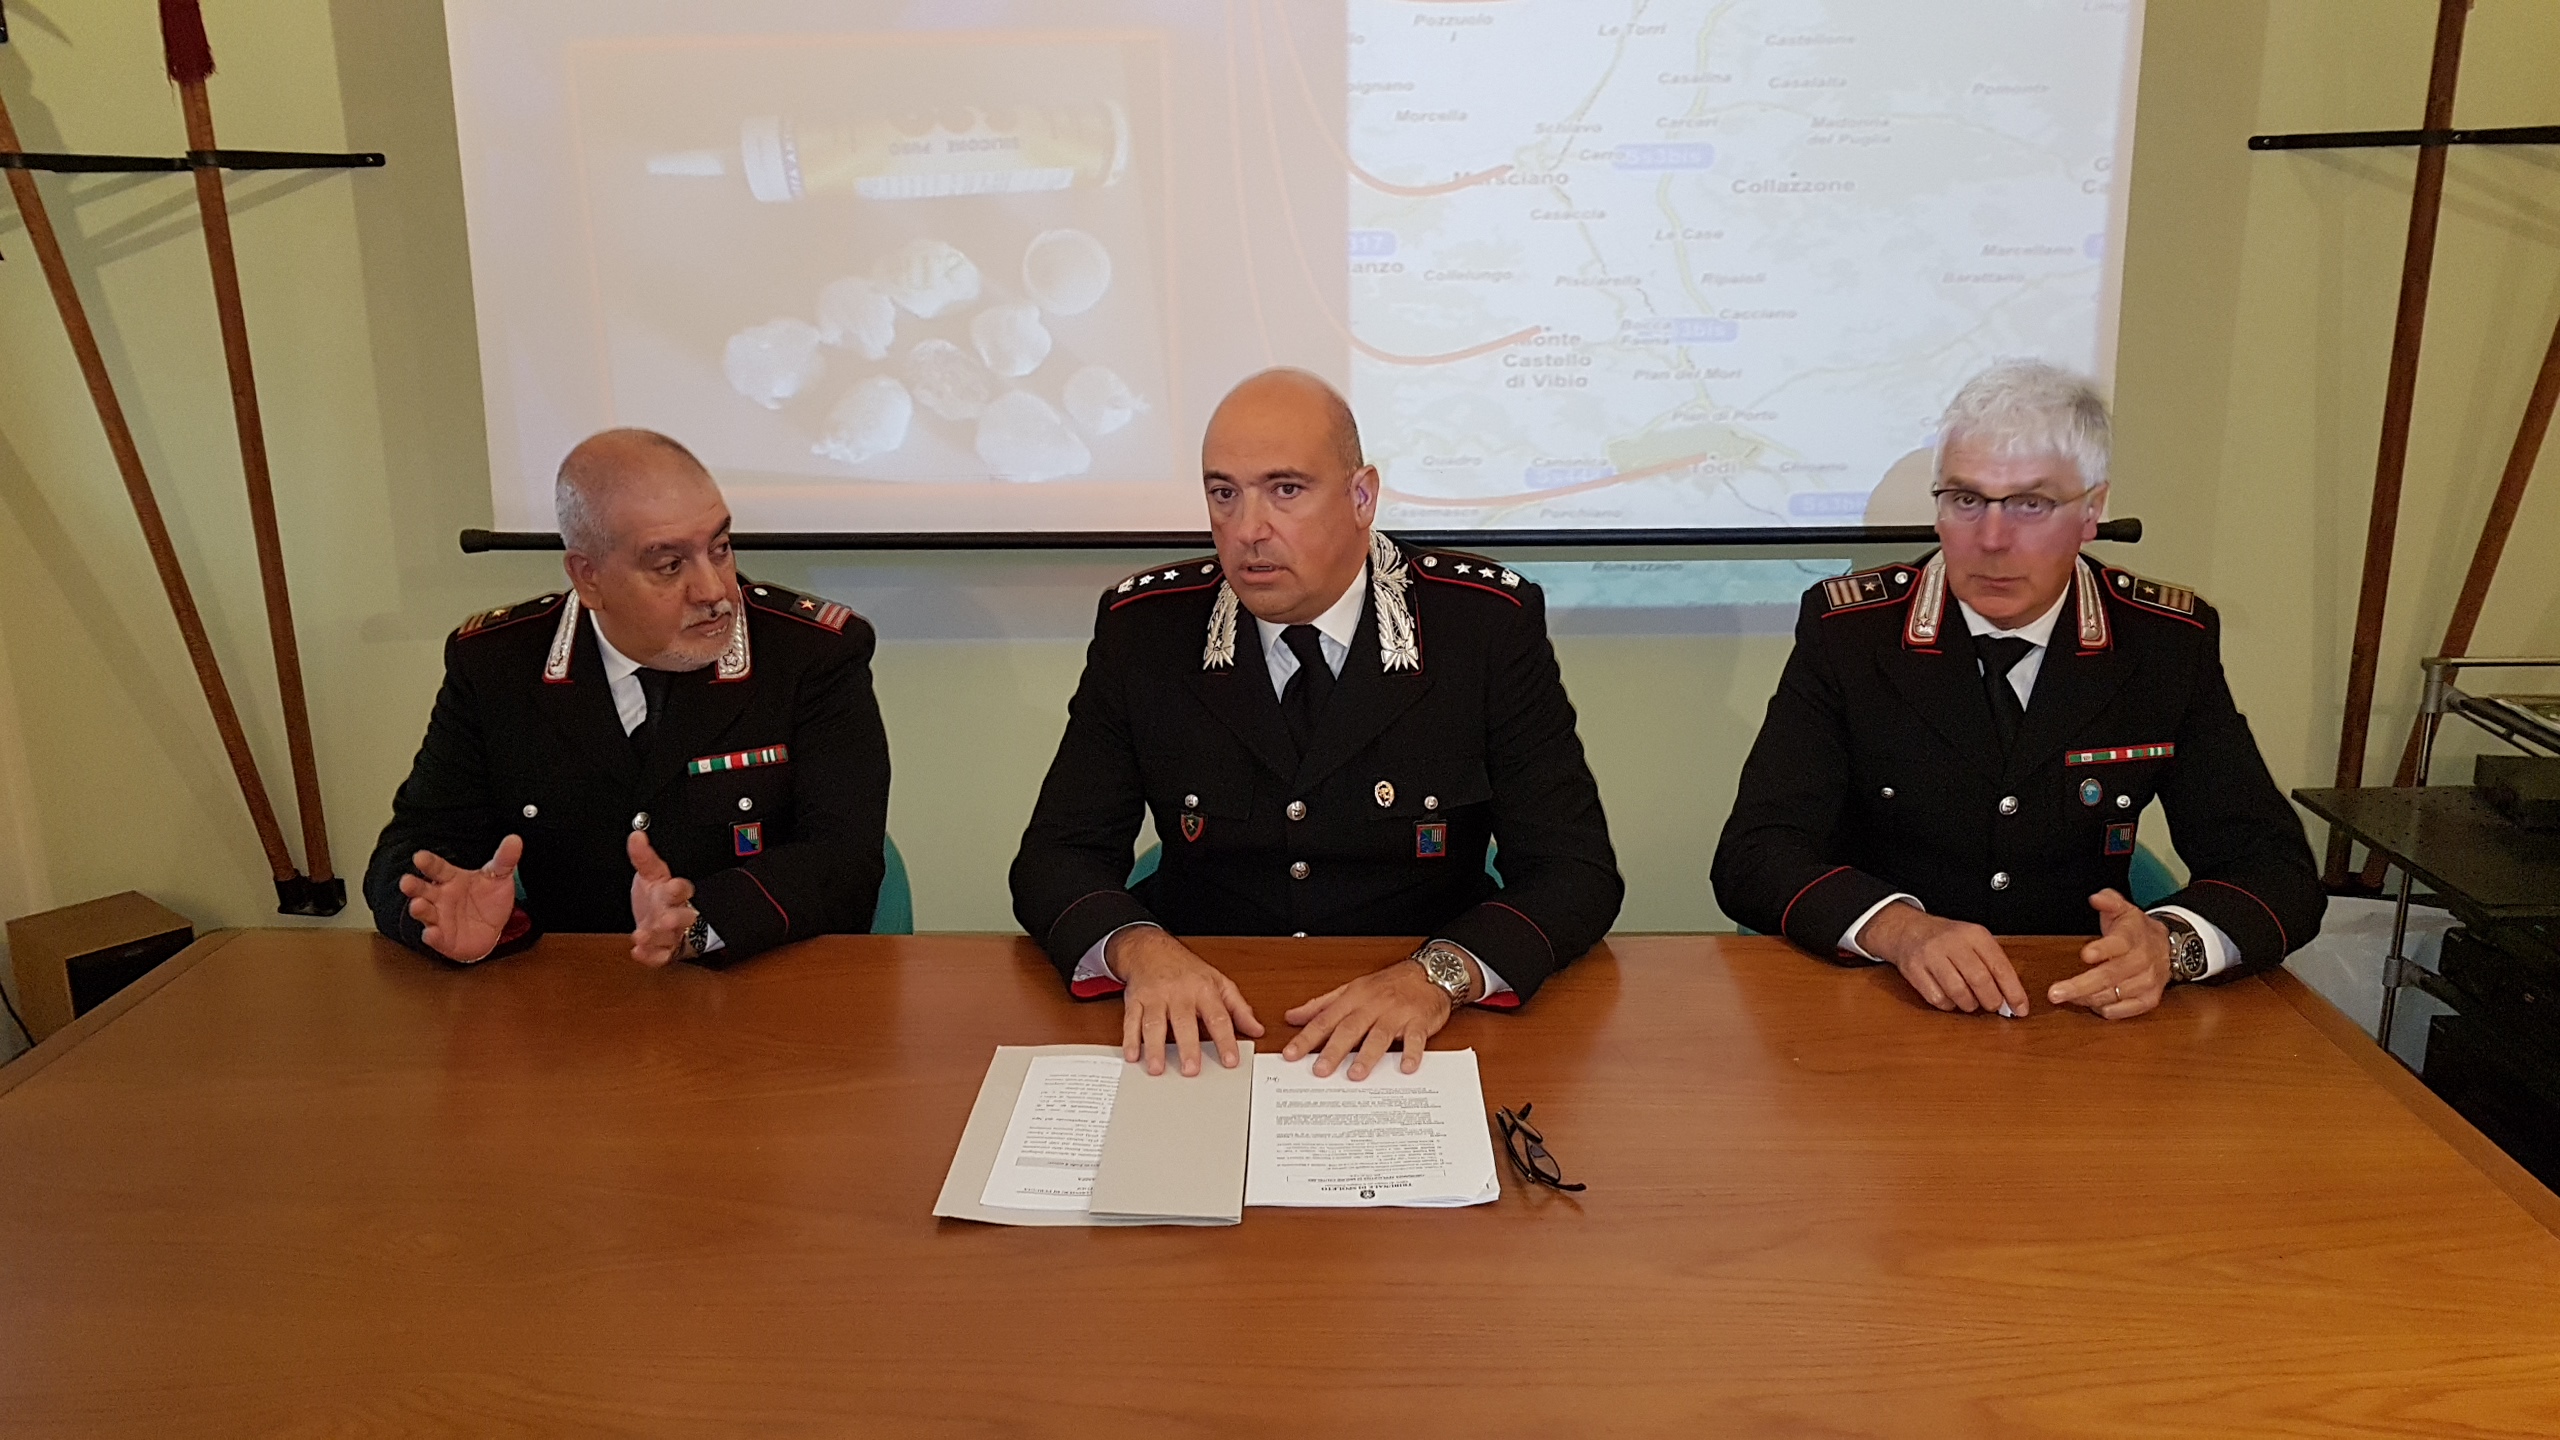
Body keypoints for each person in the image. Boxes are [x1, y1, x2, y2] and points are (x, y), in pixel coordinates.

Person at [1009, 369, 1622, 1080]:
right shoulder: (1147, 630)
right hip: (1206, 1025)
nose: (1248, 530)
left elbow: (1573, 871)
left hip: (1421, 1029)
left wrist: (1439, 974)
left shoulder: (1479, 627)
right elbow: (1058, 856)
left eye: (1285, 490)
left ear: (1363, 497)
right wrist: (1139, 950)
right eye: (1224, 494)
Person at [1711, 362, 2322, 1019]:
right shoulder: (1852, 634)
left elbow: (2274, 870)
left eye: (2031, 504)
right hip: (1886, 1003)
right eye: (1965, 500)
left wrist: (2170, 945)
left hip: (2075, 1008)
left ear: (2092, 511)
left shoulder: (2163, 644)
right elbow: (1755, 852)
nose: (1992, 541)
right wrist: (1898, 929)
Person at [364, 429, 890, 967]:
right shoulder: (497, 665)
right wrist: (440, 913)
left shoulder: (811, 655)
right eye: (670, 565)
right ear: (588, 577)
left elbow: (844, 861)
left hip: (761, 986)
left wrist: (700, 923)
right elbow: (417, 843)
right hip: (568, 995)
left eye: (720, 548)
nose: (714, 591)